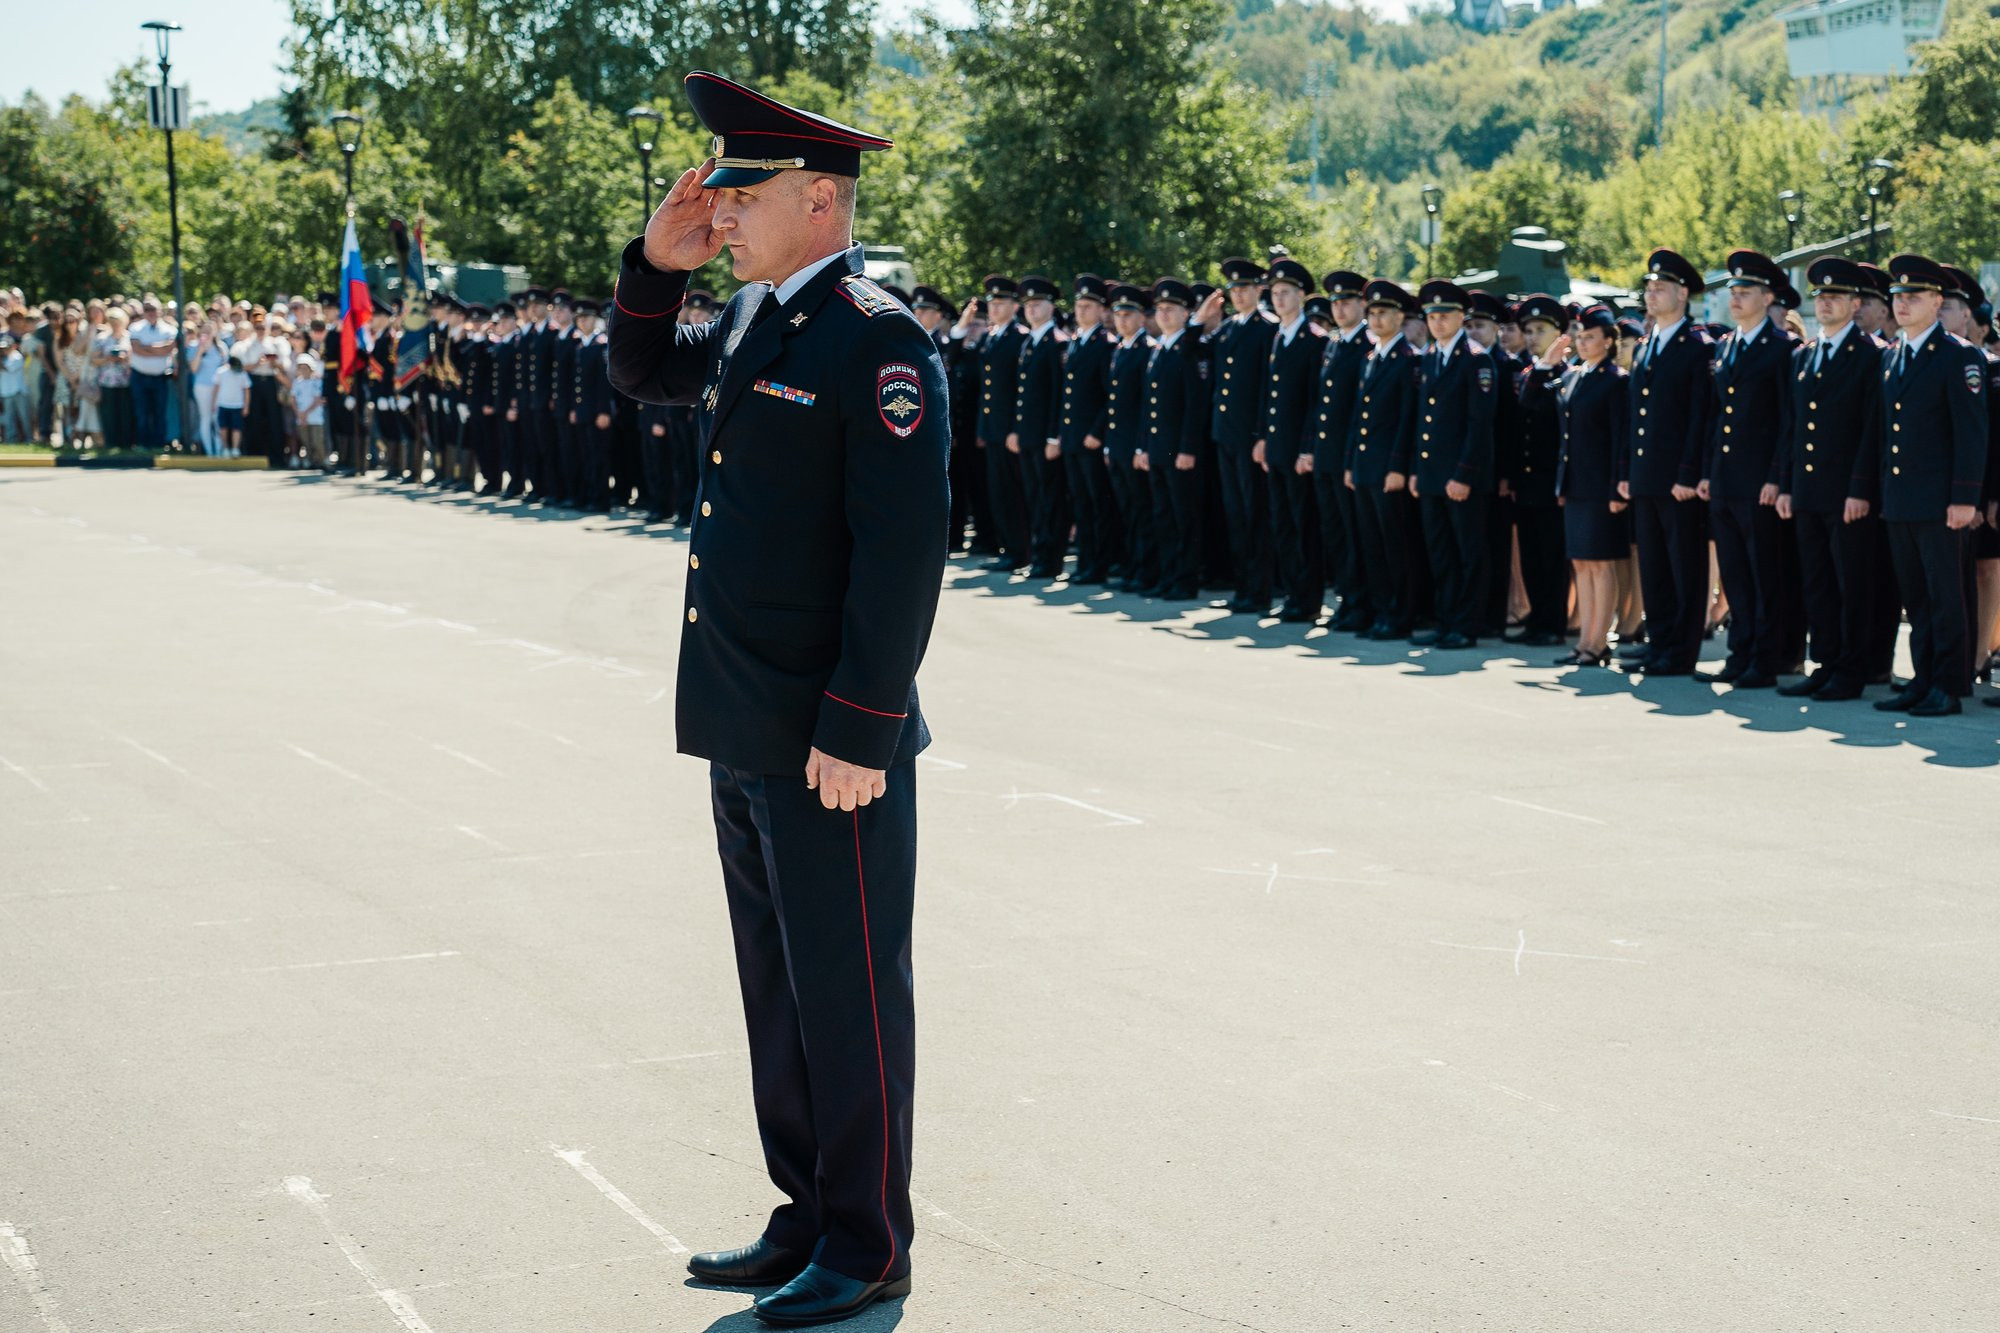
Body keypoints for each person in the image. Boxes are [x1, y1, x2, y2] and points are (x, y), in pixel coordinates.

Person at [606, 70, 946, 1327]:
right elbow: (645, 368)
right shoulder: (756, 318)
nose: (721, 211)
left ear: (818, 197)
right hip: (745, 724)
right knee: (779, 987)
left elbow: (903, 548)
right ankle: (806, 1211)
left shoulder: (876, 336)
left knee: (850, 992)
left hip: (826, 740)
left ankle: (864, 1244)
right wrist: (657, 262)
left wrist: (861, 723)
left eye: (739, 194)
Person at [1851, 253, 1989, 717]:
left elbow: (1972, 434)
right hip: (1902, 499)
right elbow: (1883, 432)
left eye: (1913, 296)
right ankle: (1923, 678)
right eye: (1898, 296)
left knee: (1945, 595)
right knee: (1916, 596)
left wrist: (1965, 498)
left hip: (1940, 502)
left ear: (1937, 301)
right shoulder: (1893, 358)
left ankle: (1949, 685)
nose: (1902, 304)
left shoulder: (1959, 356)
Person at [1775, 257, 1887, 701]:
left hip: (1847, 494)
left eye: (1836, 296)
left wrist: (1860, 488)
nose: (1825, 303)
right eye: (1821, 296)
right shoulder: (1804, 354)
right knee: (1817, 582)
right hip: (1808, 490)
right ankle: (1825, 661)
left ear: (1856, 304)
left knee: (1852, 583)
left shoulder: (1870, 355)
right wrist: (1785, 484)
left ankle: (1852, 667)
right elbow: (1793, 425)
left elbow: (1871, 429)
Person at [1701, 250, 1800, 688]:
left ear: (1768, 297)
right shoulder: (1726, 346)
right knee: (1736, 575)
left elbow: (1787, 420)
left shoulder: (1782, 349)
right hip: (1726, 479)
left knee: (1765, 575)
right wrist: (1707, 471)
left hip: (1759, 480)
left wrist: (1777, 476)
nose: (1735, 299)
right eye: (1733, 291)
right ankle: (1740, 652)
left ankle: (1767, 656)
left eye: (1745, 292)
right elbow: (1716, 416)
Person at [1621, 248, 1716, 677]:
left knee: (1684, 568)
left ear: (1683, 294)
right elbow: (1634, 415)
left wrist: (1688, 473)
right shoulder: (1645, 346)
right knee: (1654, 565)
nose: (1652, 295)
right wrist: (1627, 472)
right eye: (1649, 288)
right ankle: (1659, 641)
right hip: (1646, 476)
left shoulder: (1697, 346)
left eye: (1661, 289)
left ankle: (1681, 650)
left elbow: (1700, 415)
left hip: (1677, 478)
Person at [1528, 304, 1629, 665]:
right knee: (1582, 565)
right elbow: (1533, 403)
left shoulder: (1616, 380)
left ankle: (1599, 640)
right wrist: (1546, 363)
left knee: (1601, 565)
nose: (1584, 343)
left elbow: (1621, 438)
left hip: (1601, 486)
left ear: (1608, 341)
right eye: (1580, 337)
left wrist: (1619, 485)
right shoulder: (1572, 377)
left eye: (1591, 337)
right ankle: (1585, 639)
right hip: (1574, 485)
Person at [1410, 279, 1498, 649]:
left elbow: (1479, 426)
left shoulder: (1476, 359)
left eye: (1445, 315)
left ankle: (1467, 623)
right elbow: (1422, 419)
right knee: (1440, 552)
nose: (1437, 321)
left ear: (1462, 317)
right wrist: (1417, 469)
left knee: (1468, 554)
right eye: (1432, 315)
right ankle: (1446, 619)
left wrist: (1463, 474)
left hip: (1461, 478)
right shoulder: (1430, 356)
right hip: (1432, 476)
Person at [1200, 257, 1278, 614]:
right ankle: (1243, 586)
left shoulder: (1267, 328)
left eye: (1245, 287)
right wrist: (1199, 319)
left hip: (1250, 436)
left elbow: (1268, 388)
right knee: (1235, 513)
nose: (1239, 294)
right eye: (1233, 289)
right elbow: (1191, 350)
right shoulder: (1228, 328)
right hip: (1226, 434)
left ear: (1258, 289)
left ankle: (1259, 589)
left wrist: (1262, 433)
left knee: (1254, 514)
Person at [1349, 279, 1423, 639]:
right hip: (1365, 466)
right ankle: (1381, 611)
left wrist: (1397, 467)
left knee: (1396, 545)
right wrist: (1351, 462)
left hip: (1387, 468)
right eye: (1372, 313)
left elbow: (1407, 420)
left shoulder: (1407, 360)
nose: (1377, 320)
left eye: (1384, 313)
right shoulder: (1371, 358)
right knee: (1372, 544)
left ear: (1400, 316)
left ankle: (1400, 614)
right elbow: (1358, 416)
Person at [1257, 258, 1326, 622]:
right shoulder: (1277, 337)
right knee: (1282, 522)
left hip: (1298, 450)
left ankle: (1308, 598)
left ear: (1302, 296)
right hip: (1277, 447)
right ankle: (1292, 595)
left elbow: (1315, 401)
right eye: (1275, 293)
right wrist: (1263, 439)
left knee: (1303, 524)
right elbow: (1270, 395)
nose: (1279, 299)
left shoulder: (1314, 340)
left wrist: (1306, 448)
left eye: (1286, 293)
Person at [1304, 270, 1373, 630]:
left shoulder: (1367, 345)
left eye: (1347, 301)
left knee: (1353, 533)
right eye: (1335, 302)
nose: (1340, 308)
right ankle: (1346, 600)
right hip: (1325, 455)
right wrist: (1311, 447)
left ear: (1362, 305)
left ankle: (1360, 603)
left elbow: (1359, 411)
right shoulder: (1333, 343)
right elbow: (1319, 404)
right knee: (1334, 531)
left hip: (1349, 456)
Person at [1505, 295, 1571, 647]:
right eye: (1527, 330)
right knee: (1531, 556)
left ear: (1560, 334)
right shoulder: (1530, 373)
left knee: (1552, 557)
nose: (1531, 337)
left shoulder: (1564, 374)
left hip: (1551, 483)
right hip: (1527, 482)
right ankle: (1536, 620)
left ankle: (1553, 623)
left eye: (1540, 330)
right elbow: (1518, 425)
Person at [1140, 276, 1211, 600]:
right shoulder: (1159, 350)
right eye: (1160, 309)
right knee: (1163, 516)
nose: (1164, 314)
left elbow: (1195, 405)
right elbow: (1148, 405)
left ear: (1187, 313)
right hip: (1157, 449)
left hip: (1178, 452)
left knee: (1185, 518)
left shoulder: (1188, 349)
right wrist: (1143, 446)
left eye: (1172, 308)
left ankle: (1185, 579)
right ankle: (1168, 575)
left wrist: (1187, 448)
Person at [1057, 273, 1118, 583]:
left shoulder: (1105, 344)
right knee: (1081, 503)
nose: (1081, 310)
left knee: (1097, 504)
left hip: (1091, 439)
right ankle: (1084, 562)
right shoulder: (1078, 341)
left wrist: (1098, 431)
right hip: (1072, 438)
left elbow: (1111, 396)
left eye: (1088, 305)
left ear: (1101, 310)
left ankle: (1098, 564)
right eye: (1079, 305)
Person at [1012, 275, 1070, 577]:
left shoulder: (1057, 343)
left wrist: (1053, 436)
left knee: (1050, 500)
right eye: (1029, 304)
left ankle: (1051, 560)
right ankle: (1038, 556)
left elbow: (1059, 395)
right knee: (1034, 497)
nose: (1032, 309)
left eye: (1038, 303)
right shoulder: (1030, 342)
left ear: (1051, 306)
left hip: (1045, 437)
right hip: (1029, 436)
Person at [1105, 282, 1158, 593]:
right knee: (1128, 510)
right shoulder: (1121, 348)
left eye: (1129, 314)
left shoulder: (1146, 350)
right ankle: (1133, 567)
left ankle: (1145, 571)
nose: (1122, 320)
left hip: (1136, 445)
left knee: (1142, 510)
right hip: (1118, 443)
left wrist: (1141, 445)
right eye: (1118, 314)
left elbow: (1144, 406)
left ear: (1141, 317)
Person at [973, 275, 1028, 570]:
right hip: (993, 429)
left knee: (1013, 493)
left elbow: (1022, 389)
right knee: (998, 492)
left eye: (1001, 302)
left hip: (1010, 430)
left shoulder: (1019, 338)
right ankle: (1006, 547)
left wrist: (1016, 429)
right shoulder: (990, 337)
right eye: (992, 302)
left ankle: (1019, 551)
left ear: (1015, 306)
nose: (995, 307)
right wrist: (984, 426)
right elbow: (987, 388)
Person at [127, 298, 178, 449]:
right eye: (147, 309)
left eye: (153, 309)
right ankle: (143, 443)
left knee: (159, 412)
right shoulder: (135, 328)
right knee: (142, 412)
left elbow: (168, 349)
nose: (151, 313)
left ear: (159, 311)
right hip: (139, 376)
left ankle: (159, 443)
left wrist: (147, 347)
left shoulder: (170, 329)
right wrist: (158, 349)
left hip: (160, 377)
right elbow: (136, 349)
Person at [92, 308, 135, 450]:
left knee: (126, 413)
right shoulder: (102, 338)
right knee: (109, 413)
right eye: (113, 322)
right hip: (107, 381)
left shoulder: (130, 337)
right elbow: (94, 359)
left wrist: (126, 358)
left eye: (118, 322)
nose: (116, 325)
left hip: (126, 381)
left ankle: (126, 442)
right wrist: (108, 358)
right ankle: (111, 441)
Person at [210, 354, 251, 457]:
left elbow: (246, 390)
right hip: (223, 404)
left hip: (237, 405)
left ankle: (235, 449)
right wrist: (213, 403)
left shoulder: (242, 373)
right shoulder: (221, 372)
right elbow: (216, 388)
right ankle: (226, 448)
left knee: (236, 428)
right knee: (223, 428)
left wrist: (246, 406)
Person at [292, 352, 326, 468]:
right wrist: (299, 414)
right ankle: (310, 461)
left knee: (317, 441)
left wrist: (305, 413)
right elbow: (293, 399)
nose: (303, 370)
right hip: (301, 417)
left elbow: (317, 399)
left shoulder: (317, 382)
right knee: (306, 441)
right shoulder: (297, 382)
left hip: (315, 416)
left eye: (305, 367)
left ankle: (322, 462)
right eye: (301, 367)